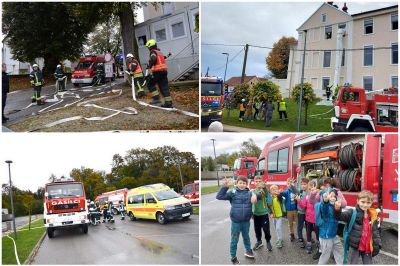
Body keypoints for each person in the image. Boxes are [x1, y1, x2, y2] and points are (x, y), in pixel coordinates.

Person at [216, 176, 258, 264]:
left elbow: (260, 195)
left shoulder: (250, 193)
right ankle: (233, 256)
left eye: (244, 183)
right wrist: (225, 187)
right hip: (236, 221)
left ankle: (248, 251)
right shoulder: (233, 192)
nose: (242, 185)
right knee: (234, 239)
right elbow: (219, 196)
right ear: (237, 183)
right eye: (240, 183)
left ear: (247, 184)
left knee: (246, 237)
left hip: (246, 221)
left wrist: (255, 195)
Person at [334, 190, 381, 264]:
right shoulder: (352, 212)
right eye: (363, 202)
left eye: (368, 203)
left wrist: (378, 244)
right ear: (358, 201)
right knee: (353, 263)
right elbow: (340, 217)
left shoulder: (373, 215)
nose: (365, 205)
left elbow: (376, 231)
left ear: (371, 203)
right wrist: (337, 209)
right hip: (355, 247)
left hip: (367, 247)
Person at [315, 189, 344, 265]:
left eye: (334, 196)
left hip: (333, 235)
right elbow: (324, 210)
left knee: (340, 251)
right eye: (331, 196)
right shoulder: (325, 206)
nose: (333, 198)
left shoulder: (335, 206)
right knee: (325, 256)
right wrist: (325, 201)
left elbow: (338, 217)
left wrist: (338, 209)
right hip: (326, 236)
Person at [145, 39, 173, 108]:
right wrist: (168, 55)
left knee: (150, 83)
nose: (148, 48)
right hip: (164, 71)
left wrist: (149, 65)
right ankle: (168, 103)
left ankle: (156, 99)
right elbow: (164, 58)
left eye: (148, 47)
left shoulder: (153, 52)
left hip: (158, 72)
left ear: (150, 46)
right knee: (164, 87)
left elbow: (153, 59)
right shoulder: (159, 52)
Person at [297, 180, 320, 254]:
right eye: (310, 189)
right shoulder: (307, 196)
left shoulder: (318, 195)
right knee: (308, 231)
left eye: (313, 187)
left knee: (317, 232)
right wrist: (299, 201)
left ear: (316, 187)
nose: (311, 190)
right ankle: (309, 244)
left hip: (316, 218)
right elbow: (303, 206)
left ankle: (318, 243)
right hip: (308, 218)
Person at [252, 176, 273, 251]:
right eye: (256, 181)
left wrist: (264, 187)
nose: (258, 183)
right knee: (257, 229)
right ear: (254, 182)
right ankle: (259, 241)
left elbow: (266, 193)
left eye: (259, 181)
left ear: (262, 182)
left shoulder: (265, 190)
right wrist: (251, 213)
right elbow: (252, 201)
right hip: (256, 214)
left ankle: (268, 241)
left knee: (266, 229)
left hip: (264, 214)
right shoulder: (253, 191)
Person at [282, 177, 298, 242]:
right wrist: (280, 192)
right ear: (286, 184)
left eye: (291, 183)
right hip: (289, 211)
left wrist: (293, 187)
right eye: (288, 183)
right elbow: (282, 194)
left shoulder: (296, 191)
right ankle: (292, 234)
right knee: (290, 223)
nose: (289, 185)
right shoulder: (286, 191)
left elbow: (298, 193)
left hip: (296, 210)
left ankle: (299, 235)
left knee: (298, 223)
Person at [296, 178, 309, 248]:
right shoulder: (299, 191)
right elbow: (294, 189)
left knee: (308, 226)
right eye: (302, 184)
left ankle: (308, 238)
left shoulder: (309, 192)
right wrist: (291, 185)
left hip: (307, 213)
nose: (303, 186)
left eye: (305, 184)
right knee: (300, 226)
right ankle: (300, 238)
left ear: (308, 185)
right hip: (300, 212)